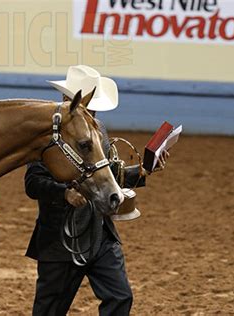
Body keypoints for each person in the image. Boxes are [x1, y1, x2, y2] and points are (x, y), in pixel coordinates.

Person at [24, 65, 168, 316]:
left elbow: (109, 174)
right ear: (67, 101)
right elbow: (33, 183)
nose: (93, 111)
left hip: (101, 234)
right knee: (49, 310)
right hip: (61, 240)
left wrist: (142, 171)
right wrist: (64, 193)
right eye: (90, 105)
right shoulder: (47, 134)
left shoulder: (98, 128)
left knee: (120, 296)